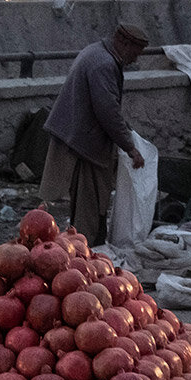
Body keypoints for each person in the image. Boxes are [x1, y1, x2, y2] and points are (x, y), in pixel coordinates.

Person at [40, 24, 150, 245]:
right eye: (135, 53)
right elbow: (107, 110)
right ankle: (86, 251)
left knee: (86, 200)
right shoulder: (104, 64)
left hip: (79, 136)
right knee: (89, 202)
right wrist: (130, 148)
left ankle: (90, 246)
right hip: (84, 143)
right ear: (124, 43)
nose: (135, 60)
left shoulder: (96, 51)